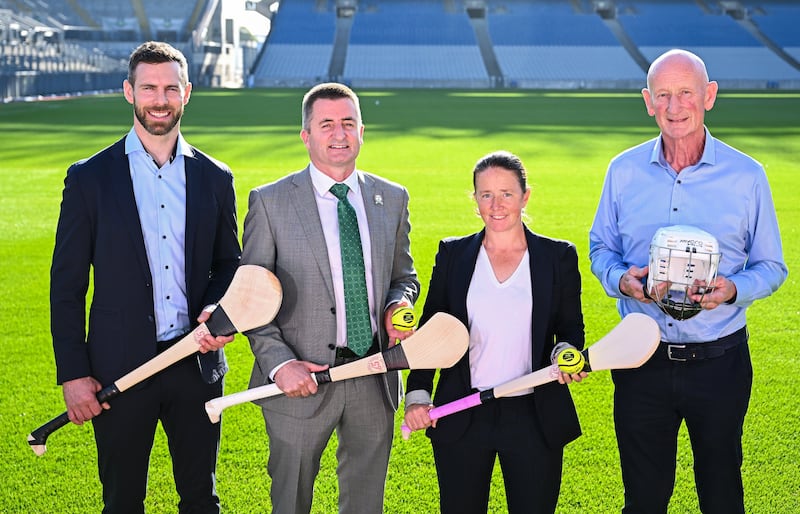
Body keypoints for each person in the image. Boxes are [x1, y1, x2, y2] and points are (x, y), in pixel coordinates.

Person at [588, 49, 787, 514]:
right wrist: (626, 283)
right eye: (663, 95)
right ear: (647, 101)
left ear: (709, 96)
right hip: (641, 362)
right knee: (643, 498)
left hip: (719, 362)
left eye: (685, 94)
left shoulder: (747, 176)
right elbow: (601, 249)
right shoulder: (623, 171)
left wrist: (732, 290)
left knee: (720, 496)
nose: (674, 107)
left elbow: (772, 267)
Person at [50, 41, 241, 513]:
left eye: (171, 88)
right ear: (128, 92)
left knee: (201, 497)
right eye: (149, 88)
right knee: (122, 500)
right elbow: (66, 286)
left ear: (187, 93)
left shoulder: (215, 177)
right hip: (119, 370)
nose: (160, 99)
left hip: (195, 364)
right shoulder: (89, 178)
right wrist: (74, 374)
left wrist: (218, 309)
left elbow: (230, 264)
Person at [240, 82, 419, 514]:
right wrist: (281, 365)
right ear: (306, 135)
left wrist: (399, 304)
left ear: (362, 130)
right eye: (326, 124)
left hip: (372, 374)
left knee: (365, 504)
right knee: (291, 501)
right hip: (300, 381)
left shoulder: (391, 198)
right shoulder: (270, 202)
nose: (339, 134)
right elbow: (251, 299)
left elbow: (404, 276)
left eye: (348, 123)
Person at [404, 150, 586, 514]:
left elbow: (569, 329)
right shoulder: (453, 254)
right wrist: (417, 395)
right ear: (475, 200)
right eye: (485, 194)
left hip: (533, 416)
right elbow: (431, 332)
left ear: (525, 196)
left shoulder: (557, 256)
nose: (496, 204)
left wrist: (564, 354)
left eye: (506, 193)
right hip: (461, 412)